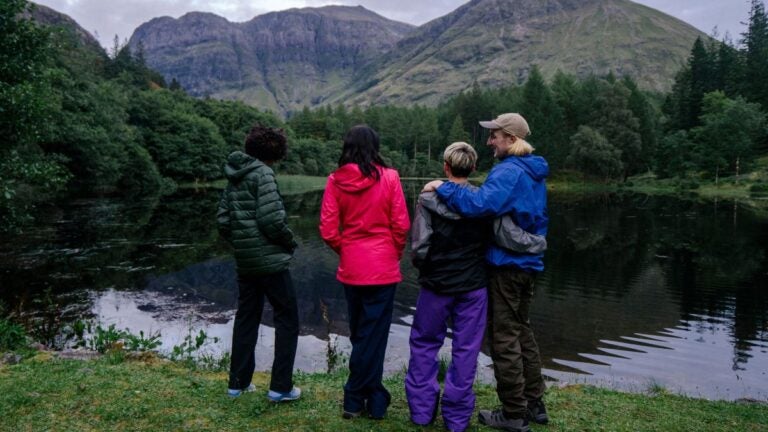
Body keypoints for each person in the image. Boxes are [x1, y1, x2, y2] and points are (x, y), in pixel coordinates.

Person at [423, 113, 549, 432]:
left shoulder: (509, 171)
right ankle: (534, 403)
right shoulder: (532, 170)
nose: (490, 141)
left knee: (503, 338)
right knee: (522, 332)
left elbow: (480, 205)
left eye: (494, 135)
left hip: (507, 266)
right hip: (527, 265)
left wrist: (444, 187)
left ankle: (514, 413)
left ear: (510, 138)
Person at [319, 125, 410, 420]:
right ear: (376, 146)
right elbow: (401, 225)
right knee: (373, 335)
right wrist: (392, 254)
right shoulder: (391, 177)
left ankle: (365, 398)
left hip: (353, 268)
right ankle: (360, 395)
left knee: (361, 334)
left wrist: (347, 251)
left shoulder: (335, 180)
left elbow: (329, 230)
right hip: (382, 266)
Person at [217, 125, 301, 403]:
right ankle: (280, 388)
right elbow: (272, 221)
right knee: (288, 318)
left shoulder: (234, 175)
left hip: (246, 262)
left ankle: (237, 385)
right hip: (271, 263)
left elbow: (224, 222)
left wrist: (243, 245)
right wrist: (289, 242)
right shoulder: (263, 173)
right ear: (276, 151)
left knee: (246, 318)